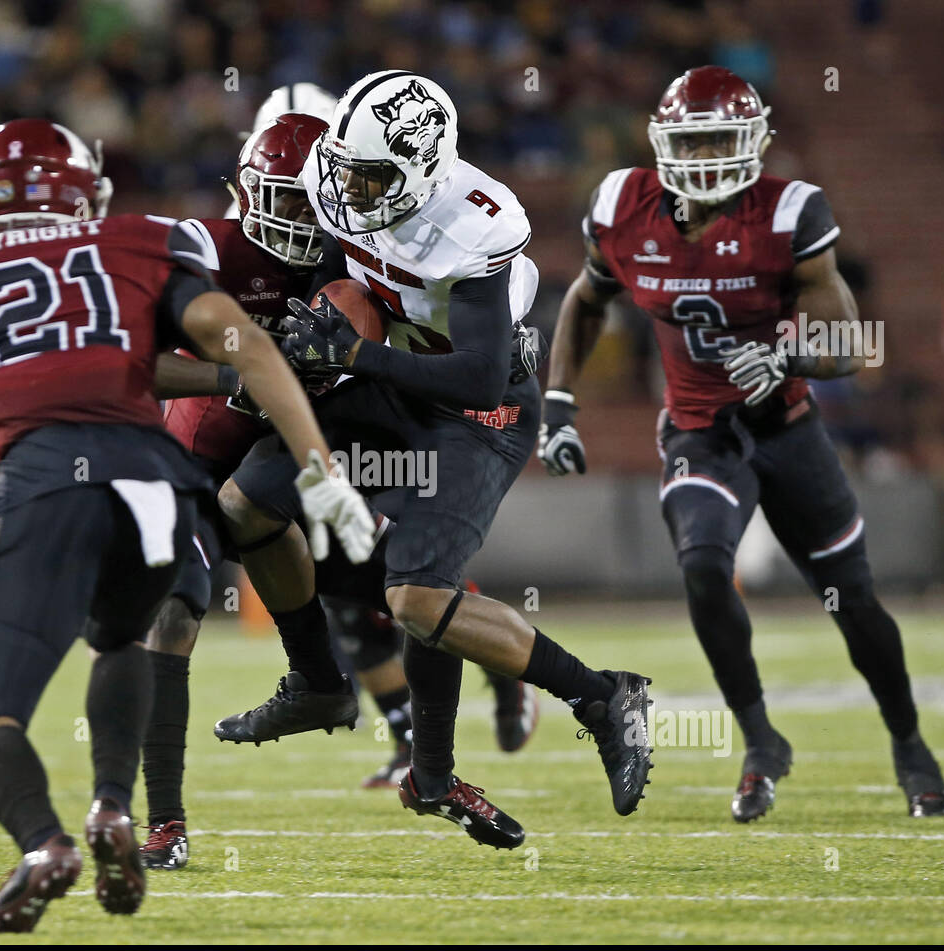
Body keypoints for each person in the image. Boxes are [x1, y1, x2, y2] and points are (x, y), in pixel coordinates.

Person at [0, 118, 375, 932]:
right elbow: (248, 347)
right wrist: (319, 466)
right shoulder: (138, 244)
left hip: (47, 485)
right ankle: (118, 806)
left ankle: (43, 842)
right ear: (90, 193)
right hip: (160, 486)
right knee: (127, 640)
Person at [213, 72, 654, 851]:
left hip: (478, 410)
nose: (351, 189)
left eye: (373, 176)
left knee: (418, 600)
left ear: (426, 168)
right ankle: (320, 684)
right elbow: (328, 275)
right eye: (347, 168)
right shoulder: (334, 172)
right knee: (245, 504)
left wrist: (350, 353)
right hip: (389, 375)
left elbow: (479, 376)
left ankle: (602, 697)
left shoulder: (475, 223)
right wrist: (309, 351)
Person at [542, 66, 944, 821]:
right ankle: (760, 740)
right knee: (702, 568)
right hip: (701, 433)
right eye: (691, 139)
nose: (704, 156)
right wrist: (559, 403)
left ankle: (909, 743)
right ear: (663, 142)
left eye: (720, 139)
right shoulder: (621, 209)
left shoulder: (788, 214)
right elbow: (584, 297)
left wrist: (788, 355)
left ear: (755, 141)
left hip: (786, 430)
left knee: (854, 603)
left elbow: (853, 346)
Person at [138, 112, 537, 870]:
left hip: (296, 466)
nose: (294, 217)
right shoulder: (210, 251)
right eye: (277, 200)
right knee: (171, 608)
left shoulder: (361, 257)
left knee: (418, 593)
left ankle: (433, 754)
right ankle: (166, 821)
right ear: (244, 192)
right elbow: (140, 362)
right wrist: (236, 375)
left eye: (304, 201)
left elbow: (436, 341)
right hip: (201, 463)